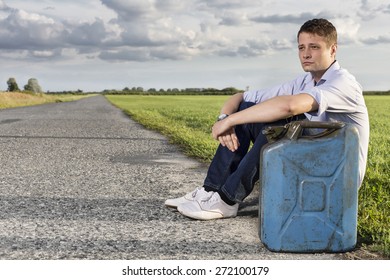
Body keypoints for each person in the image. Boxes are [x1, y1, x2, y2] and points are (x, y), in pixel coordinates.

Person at [164, 18, 369, 220]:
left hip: (337, 175)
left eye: (314, 47)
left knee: (282, 122)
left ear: (333, 50)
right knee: (247, 110)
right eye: (301, 47)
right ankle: (211, 192)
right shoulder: (304, 81)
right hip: (309, 159)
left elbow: (289, 106)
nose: (305, 54)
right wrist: (225, 117)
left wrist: (229, 122)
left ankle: (227, 200)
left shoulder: (343, 83)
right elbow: (241, 97)